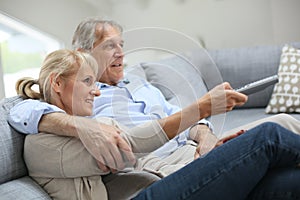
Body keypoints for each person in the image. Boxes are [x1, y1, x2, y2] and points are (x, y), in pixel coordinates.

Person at [13, 50, 300, 200]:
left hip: (167, 183)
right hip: (152, 194)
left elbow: (136, 158)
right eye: (88, 81)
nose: (97, 91)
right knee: (268, 137)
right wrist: (201, 107)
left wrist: (215, 156)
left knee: (288, 183)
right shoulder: (41, 144)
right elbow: (132, 146)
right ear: (57, 83)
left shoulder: (92, 123)